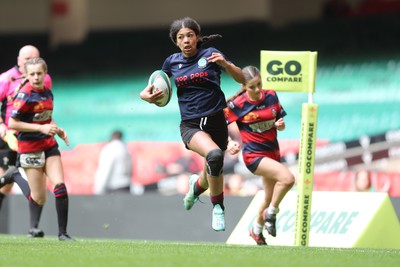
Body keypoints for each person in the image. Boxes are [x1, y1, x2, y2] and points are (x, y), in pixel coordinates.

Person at [140, 17, 245, 231]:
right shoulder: (171, 62)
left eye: (189, 35)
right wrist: (145, 95)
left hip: (217, 122)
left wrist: (226, 64)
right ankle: (218, 208)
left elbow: (242, 78)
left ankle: (195, 189)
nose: (186, 40)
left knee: (209, 174)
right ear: (176, 42)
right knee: (214, 155)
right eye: (181, 37)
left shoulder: (211, 54)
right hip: (191, 125)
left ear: (197, 37)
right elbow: (154, 87)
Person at [224, 66, 295, 245]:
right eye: (252, 87)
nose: (257, 90)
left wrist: (280, 125)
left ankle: (256, 230)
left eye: (259, 85)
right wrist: (228, 142)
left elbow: (280, 122)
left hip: (273, 152)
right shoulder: (238, 104)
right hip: (253, 155)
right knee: (288, 179)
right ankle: (270, 214)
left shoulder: (271, 95)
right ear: (244, 87)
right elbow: (217, 125)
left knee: (269, 197)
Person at [8, 57, 74, 241]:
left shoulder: (48, 93)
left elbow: (46, 119)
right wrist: (41, 128)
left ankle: (63, 233)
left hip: (49, 145)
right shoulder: (24, 95)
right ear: (26, 75)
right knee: (39, 197)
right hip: (29, 149)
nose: (36, 77)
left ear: (45, 73)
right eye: (32, 74)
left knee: (60, 186)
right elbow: (13, 123)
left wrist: (57, 130)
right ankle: (13, 175)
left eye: (39, 73)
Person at [0, 45, 52, 238]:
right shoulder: (5, 79)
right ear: (19, 60)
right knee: (6, 184)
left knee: (37, 178)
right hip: (9, 136)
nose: (32, 62)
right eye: (28, 58)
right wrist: (2, 127)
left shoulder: (44, 79)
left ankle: (34, 226)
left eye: (36, 59)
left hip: (33, 136)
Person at [94, 130, 133, 194]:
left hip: (113, 187)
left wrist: (99, 188)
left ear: (112, 137)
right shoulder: (125, 149)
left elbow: (105, 169)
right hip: (126, 186)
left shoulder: (110, 148)